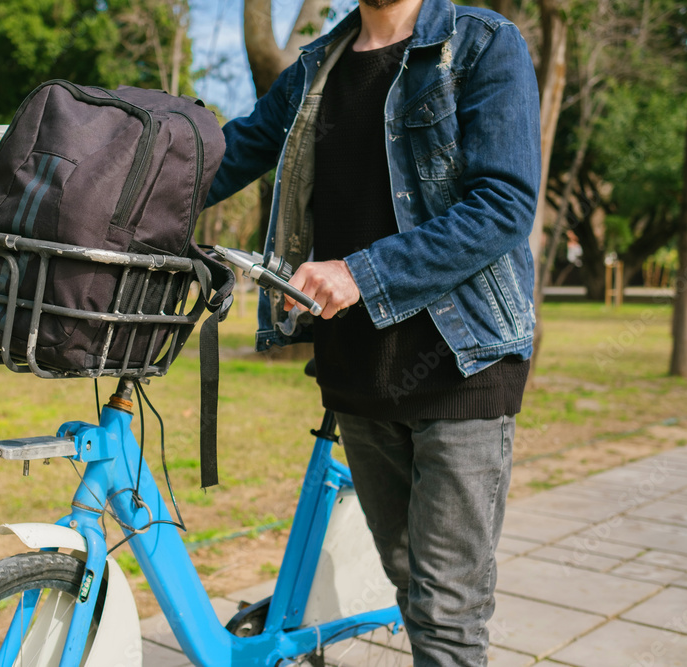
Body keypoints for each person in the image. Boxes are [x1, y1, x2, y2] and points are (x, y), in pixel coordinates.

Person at [205, 0, 541, 663]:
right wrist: (107, 191)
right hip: (356, 372)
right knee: (412, 587)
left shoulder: (482, 45)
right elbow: (231, 153)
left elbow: (503, 202)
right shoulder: (316, 67)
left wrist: (361, 272)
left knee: (447, 613)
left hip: (459, 364)